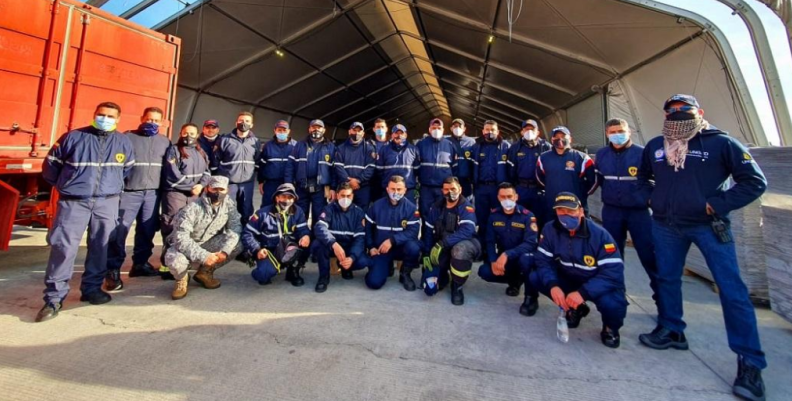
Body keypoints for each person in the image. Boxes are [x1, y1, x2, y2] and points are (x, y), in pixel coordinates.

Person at [636, 94, 768, 401]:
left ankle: (750, 362)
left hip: (708, 226)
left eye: (685, 110)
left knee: (732, 290)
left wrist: (715, 205)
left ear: (700, 113)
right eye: (671, 110)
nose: (678, 114)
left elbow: (753, 182)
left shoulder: (721, 143)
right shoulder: (657, 145)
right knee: (667, 278)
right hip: (666, 225)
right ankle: (672, 329)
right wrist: (649, 199)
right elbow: (642, 178)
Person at [36, 102, 135, 322]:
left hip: (106, 202)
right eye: (101, 115)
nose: (105, 118)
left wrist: (110, 188)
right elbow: (50, 168)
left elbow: (127, 170)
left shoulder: (122, 142)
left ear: (118, 119)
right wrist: (68, 186)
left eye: (110, 116)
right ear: (94, 115)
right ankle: (53, 298)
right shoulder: (73, 137)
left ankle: (91, 289)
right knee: (64, 247)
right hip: (74, 202)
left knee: (100, 246)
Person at [530, 192, 627, 348]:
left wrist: (583, 293)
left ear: (581, 211)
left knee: (613, 304)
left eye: (571, 211)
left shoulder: (600, 235)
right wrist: (553, 285)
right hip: (570, 277)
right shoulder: (550, 229)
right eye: (561, 211)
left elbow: (612, 273)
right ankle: (577, 309)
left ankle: (610, 328)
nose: (566, 215)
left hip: (596, 283)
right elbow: (543, 261)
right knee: (536, 277)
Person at [104, 106, 171, 291]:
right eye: (149, 119)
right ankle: (113, 269)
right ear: (142, 118)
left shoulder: (165, 142)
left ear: (162, 122)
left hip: (152, 193)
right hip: (129, 191)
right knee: (120, 230)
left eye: (156, 120)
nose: (152, 123)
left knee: (147, 230)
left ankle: (140, 264)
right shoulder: (127, 138)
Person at [594, 118, 658, 305]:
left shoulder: (642, 154)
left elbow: (657, 181)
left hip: (639, 213)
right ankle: (616, 294)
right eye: (612, 132)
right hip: (612, 211)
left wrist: (648, 199)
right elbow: (598, 180)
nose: (617, 135)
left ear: (629, 131)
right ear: (607, 134)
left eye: (620, 130)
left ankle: (662, 299)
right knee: (612, 255)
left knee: (649, 255)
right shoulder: (602, 154)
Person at [163, 176, 242, 300]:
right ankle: (182, 279)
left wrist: (225, 251)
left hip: (207, 243)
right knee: (175, 261)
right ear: (207, 189)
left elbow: (235, 228)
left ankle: (204, 273)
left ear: (227, 191)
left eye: (221, 189)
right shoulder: (192, 208)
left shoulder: (229, 205)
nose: (218, 193)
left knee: (238, 243)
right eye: (214, 189)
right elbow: (181, 238)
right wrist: (204, 256)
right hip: (184, 247)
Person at [478, 183, 540, 316]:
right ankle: (514, 282)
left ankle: (531, 298)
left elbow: (531, 243)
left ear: (516, 197)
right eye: (503, 197)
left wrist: (507, 254)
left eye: (509, 196)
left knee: (527, 261)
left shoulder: (527, 216)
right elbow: (490, 241)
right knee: (484, 271)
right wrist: (493, 260)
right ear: (498, 198)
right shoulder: (494, 215)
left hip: (521, 258)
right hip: (504, 260)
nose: (507, 200)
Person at [159, 124, 211, 274]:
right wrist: (190, 187)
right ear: (181, 133)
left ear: (197, 135)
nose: (189, 136)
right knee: (172, 226)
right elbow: (171, 174)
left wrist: (200, 186)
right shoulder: (174, 151)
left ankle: (186, 259)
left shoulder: (200, 151)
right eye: (185, 133)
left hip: (195, 194)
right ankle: (167, 263)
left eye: (192, 133)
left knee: (191, 226)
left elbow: (207, 172)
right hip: (176, 194)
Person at [421, 177, 480, 305]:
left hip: (465, 244)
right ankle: (443, 277)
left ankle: (457, 286)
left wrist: (443, 243)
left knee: (459, 250)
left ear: (460, 189)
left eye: (453, 189)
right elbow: (428, 231)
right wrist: (426, 253)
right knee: (429, 289)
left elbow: (467, 231)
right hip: (443, 247)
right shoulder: (436, 207)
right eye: (446, 189)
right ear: (442, 191)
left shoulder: (466, 207)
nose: (450, 192)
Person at [243, 183, 311, 287]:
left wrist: (305, 235)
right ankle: (265, 269)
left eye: (290, 197)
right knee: (263, 275)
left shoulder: (298, 211)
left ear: (294, 199)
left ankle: (293, 271)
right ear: (276, 197)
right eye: (283, 196)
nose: (287, 200)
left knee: (309, 243)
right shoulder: (262, 214)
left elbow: (303, 229)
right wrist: (257, 249)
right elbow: (247, 234)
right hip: (269, 251)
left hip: (289, 248)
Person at [364, 175, 422, 290]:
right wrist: (370, 247)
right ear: (387, 189)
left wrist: (392, 240)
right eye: (393, 189)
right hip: (381, 250)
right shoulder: (377, 206)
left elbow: (413, 232)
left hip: (401, 248)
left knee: (414, 247)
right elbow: (368, 228)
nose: (396, 192)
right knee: (373, 283)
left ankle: (405, 274)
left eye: (399, 189)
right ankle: (384, 267)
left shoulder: (411, 209)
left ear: (405, 190)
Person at [312, 183, 371, 292]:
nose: (345, 199)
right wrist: (333, 243)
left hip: (348, 248)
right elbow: (319, 227)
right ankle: (323, 277)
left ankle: (345, 266)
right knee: (318, 245)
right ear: (337, 195)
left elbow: (360, 239)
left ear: (352, 196)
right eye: (342, 196)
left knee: (363, 260)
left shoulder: (358, 213)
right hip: (333, 246)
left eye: (348, 196)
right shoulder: (329, 209)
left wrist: (352, 257)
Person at [470, 120, 510, 258]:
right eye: (487, 129)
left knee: (499, 219)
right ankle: (483, 249)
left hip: (498, 190)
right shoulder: (476, 147)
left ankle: (500, 249)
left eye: (493, 129)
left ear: (498, 131)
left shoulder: (505, 147)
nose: (490, 132)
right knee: (482, 220)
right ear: (483, 131)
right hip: (481, 188)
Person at [536, 126, 597, 215]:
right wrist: (551, 189)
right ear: (552, 140)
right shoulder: (543, 158)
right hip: (552, 204)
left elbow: (593, 181)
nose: (560, 139)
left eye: (563, 136)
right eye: (556, 137)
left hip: (576, 205)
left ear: (570, 139)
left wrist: (582, 195)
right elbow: (539, 178)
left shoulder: (583, 158)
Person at [213, 111, 261, 224]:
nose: (244, 123)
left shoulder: (255, 141)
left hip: (247, 183)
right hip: (229, 183)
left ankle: (244, 235)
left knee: (246, 210)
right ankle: (226, 235)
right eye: (241, 121)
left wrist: (259, 179)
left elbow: (258, 160)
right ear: (236, 123)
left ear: (252, 125)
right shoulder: (225, 140)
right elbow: (215, 160)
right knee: (227, 209)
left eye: (247, 121)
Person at [285, 119, 335, 224]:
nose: (316, 129)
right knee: (300, 215)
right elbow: (290, 165)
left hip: (320, 189)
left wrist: (333, 188)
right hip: (302, 187)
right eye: (313, 127)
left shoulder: (330, 147)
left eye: (319, 127)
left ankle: (316, 239)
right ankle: (302, 237)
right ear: (309, 129)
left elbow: (334, 169)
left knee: (319, 216)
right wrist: (289, 183)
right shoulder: (299, 145)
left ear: (324, 130)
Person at [508, 119, 551, 227]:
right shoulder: (515, 147)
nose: (529, 131)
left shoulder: (546, 147)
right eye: (526, 129)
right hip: (521, 189)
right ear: (522, 132)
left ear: (538, 132)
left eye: (532, 129)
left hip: (540, 190)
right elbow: (510, 169)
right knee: (520, 219)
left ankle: (539, 242)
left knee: (540, 219)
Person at [416, 118, 458, 216]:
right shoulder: (421, 144)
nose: (436, 130)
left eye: (439, 128)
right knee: (425, 214)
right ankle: (426, 231)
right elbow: (416, 166)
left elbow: (455, 168)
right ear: (429, 129)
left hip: (443, 188)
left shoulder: (450, 145)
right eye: (434, 127)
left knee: (443, 214)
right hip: (426, 188)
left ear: (443, 130)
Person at [334, 122, 377, 208]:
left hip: (362, 187)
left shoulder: (369, 148)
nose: (356, 133)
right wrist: (348, 181)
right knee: (343, 211)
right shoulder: (340, 148)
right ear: (349, 132)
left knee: (361, 213)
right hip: (344, 187)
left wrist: (358, 180)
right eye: (354, 130)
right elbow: (338, 167)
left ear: (363, 133)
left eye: (359, 131)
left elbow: (371, 168)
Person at [376, 124, 419, 204]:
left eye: (401, 133)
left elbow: (417, 170)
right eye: (396, 133)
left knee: (409, 214)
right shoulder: (384, 149)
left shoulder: (413, 150)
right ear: (392, 135)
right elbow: (379, 170)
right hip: (389, 191)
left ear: (405, 134)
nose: (399, 136)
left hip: (408, 190)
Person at [258, 119, 297, 207]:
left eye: (284, 130)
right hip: (271, 183)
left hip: (288, 183)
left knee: (287, 207)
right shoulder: (268, 146)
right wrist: (260, 181)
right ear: (275, 130)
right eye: (279, 130)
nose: (282, 132)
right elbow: (262, 165)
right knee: (267, 206)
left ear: (289, 131)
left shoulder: (296, 146)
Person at [448, 118, 476, 199]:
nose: (457, 128)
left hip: (466, 180)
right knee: (451, 201)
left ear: (464, 129)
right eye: (455, 126)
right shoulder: (446, 142)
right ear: (451, 128)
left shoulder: (471, 142)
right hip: (451, 180)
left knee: (467, 203)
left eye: (460, 126)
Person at [369, 118, 390, 203]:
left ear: (386, 129)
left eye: (382, 127)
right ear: (374, 129)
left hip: (388, 180)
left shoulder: (392, 144)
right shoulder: (368, 145)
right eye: (378, 127)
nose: (380, 129)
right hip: (373, 182)